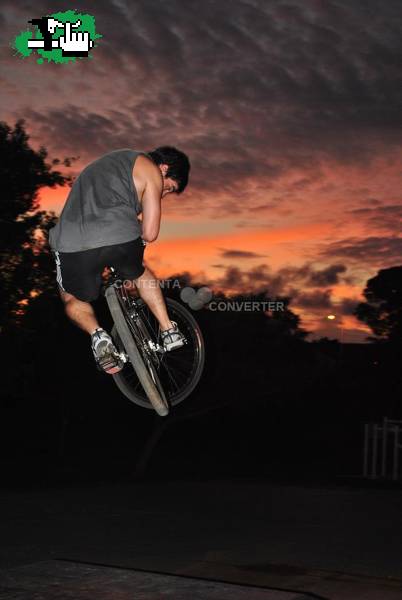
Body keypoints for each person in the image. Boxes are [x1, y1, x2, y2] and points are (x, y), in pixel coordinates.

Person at [48, 146, 190, 374]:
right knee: (140, 273)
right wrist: (137, 243)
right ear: (164, 169)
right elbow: (151, 233)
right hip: (119, 233)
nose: (164, 194)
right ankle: (168, 330)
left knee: (71, 296)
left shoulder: (105, 165)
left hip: (72, 243)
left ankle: (98, 337)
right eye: (169, 188)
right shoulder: (150, 168)